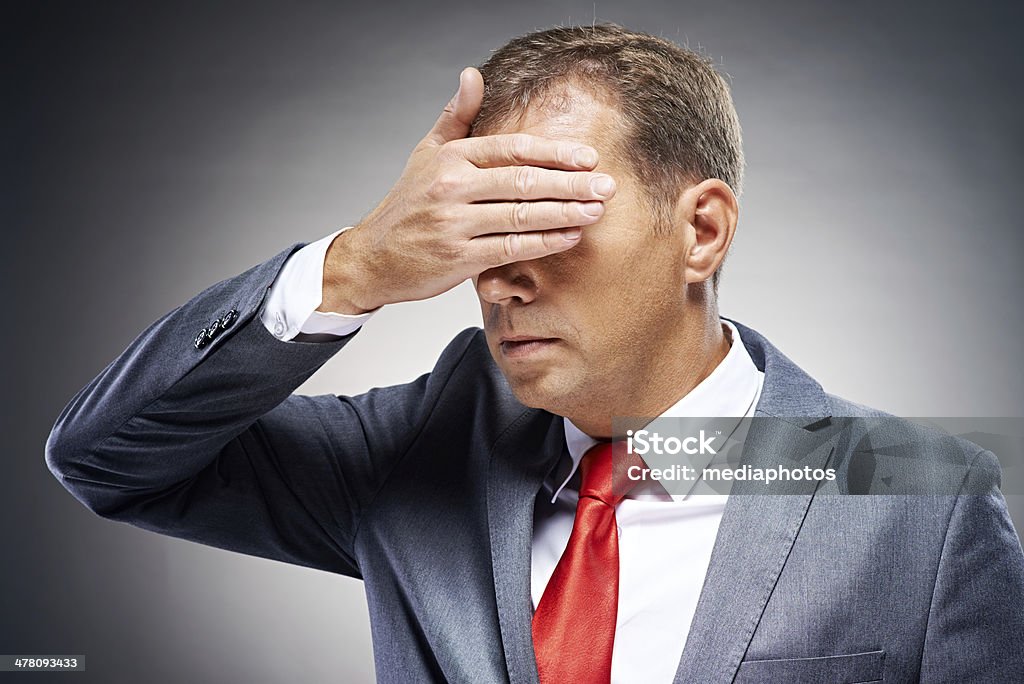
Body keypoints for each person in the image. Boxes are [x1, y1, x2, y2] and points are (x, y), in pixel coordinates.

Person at [45, 23, 1024, 683]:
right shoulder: (421, 449)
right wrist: (350, 270)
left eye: (544, 222)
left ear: (703, 231)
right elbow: (105, 458)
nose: (499, 279)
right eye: (478, 229)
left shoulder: (922, 497)